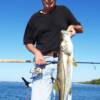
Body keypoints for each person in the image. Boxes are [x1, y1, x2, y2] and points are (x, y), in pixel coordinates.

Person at [23, 0, 83, 100]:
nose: (49, 0)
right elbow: (27, 42)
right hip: (42, 61)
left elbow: (81, 28)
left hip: (63, 60)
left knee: (65, 96)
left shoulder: (63, 10)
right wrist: (36, 52)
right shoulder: (34, 18)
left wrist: (73, 27)